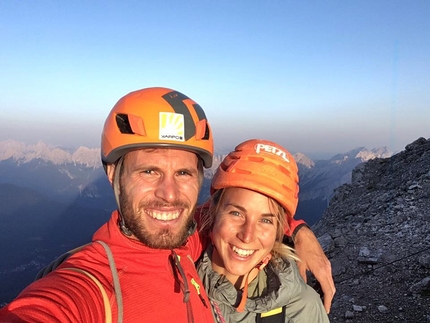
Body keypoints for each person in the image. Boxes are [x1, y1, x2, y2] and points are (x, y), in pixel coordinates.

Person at [0, 87, 334, 322]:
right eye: (150, 171)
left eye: (184, 173)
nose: (170, 195)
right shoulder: (95, 285)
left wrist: (296, 229)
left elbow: (239, 213)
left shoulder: (190, 239)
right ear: (113, 173)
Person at [196, 139, 330, 322]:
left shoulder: (301, 308)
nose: (247, 235)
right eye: (236, 213)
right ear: (213, 212)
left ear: (279, 229)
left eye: (265, 220)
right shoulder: (176, 283)